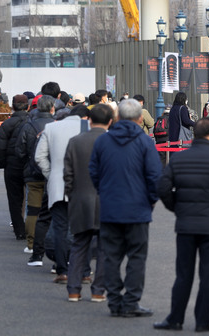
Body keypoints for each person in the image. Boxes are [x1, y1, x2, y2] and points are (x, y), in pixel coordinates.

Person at [154, 117, 209, 332]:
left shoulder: (179, 158)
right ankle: (203, 321)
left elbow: (163, 188)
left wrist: (177, 207)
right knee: (207, 275)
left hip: (186, 224)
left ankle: (175, 318)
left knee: (183, 273)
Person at [89, 99, 161, 318]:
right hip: (138, 209)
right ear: (140, 118)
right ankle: (131, 301)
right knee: (137, 257)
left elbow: (94, 172)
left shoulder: (103, 141)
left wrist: (105, 192)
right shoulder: (145, 142)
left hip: (110, 208)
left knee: (111, 256)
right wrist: (150, 200)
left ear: (117, 117)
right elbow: (155, 177)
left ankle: (114, 299)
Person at [64, 104, 114, 303]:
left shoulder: (75, 141)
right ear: (110, 121)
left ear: (89, 120)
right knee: (104, 248)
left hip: (80, 199)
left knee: (79, 245)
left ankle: (74, 290)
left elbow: (67, 174)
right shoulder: (112, 142)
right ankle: (98, 291)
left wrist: (72, 194)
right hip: (107, 201)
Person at [35, 104, 90, 284]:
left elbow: (39, 157)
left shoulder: (51, 128)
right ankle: (84, 270)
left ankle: (62, 269)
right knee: (83, 228)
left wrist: (50, 173)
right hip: (83, 185)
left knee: (59, 227)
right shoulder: (89, 128)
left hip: (58, 185)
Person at [15, 95, 55, 266]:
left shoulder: (28, 126)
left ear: (37, 107)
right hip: (53, 175)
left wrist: (29, 163)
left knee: (33, 210)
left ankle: (32, 245)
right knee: (54, 213)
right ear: (52, 108)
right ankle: (53, 246)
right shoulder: (57, 125)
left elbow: (20, 151)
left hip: (33, 174)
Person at [0, 95, 29, 243]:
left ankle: (19, 231)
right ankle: (34, 228)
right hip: (30, 164)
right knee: (35, 196)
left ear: (13, 107)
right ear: (27, 106)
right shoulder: (32, 122)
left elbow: (0, 147)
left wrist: (3, 164)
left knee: (15, 199)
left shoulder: (7, 124)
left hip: (12, 165)